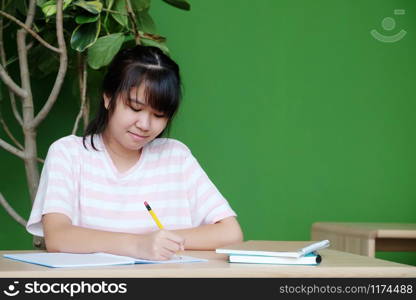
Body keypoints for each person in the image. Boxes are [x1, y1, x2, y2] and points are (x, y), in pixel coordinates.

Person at [26, 45, 243, 261]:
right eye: (135, 108)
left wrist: (161, 243)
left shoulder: (176, 157)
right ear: (108, 97)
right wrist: (138, 244)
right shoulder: (69, 154)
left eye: (159, 115)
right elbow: (58, 236)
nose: (145, 125)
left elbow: (230, 233)